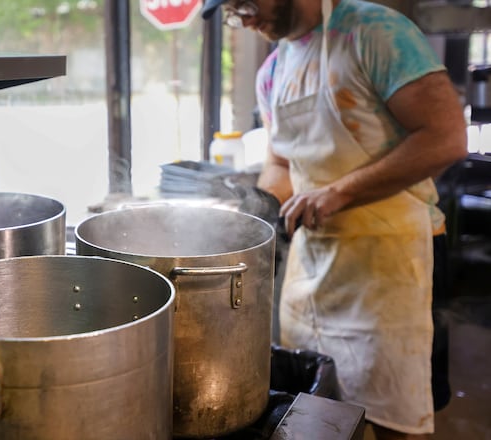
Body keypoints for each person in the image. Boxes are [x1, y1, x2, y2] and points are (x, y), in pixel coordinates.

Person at [201, 0, 468, 438]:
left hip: (392, 266)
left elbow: (446, 137)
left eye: (244, 3)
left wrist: (340, 192)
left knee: (394, 415)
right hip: (315, 267)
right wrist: (257, 206)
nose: (243, 19)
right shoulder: (272, 72)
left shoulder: (372, 32)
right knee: (318, 414)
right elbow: (283, 165)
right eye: (233, 12)